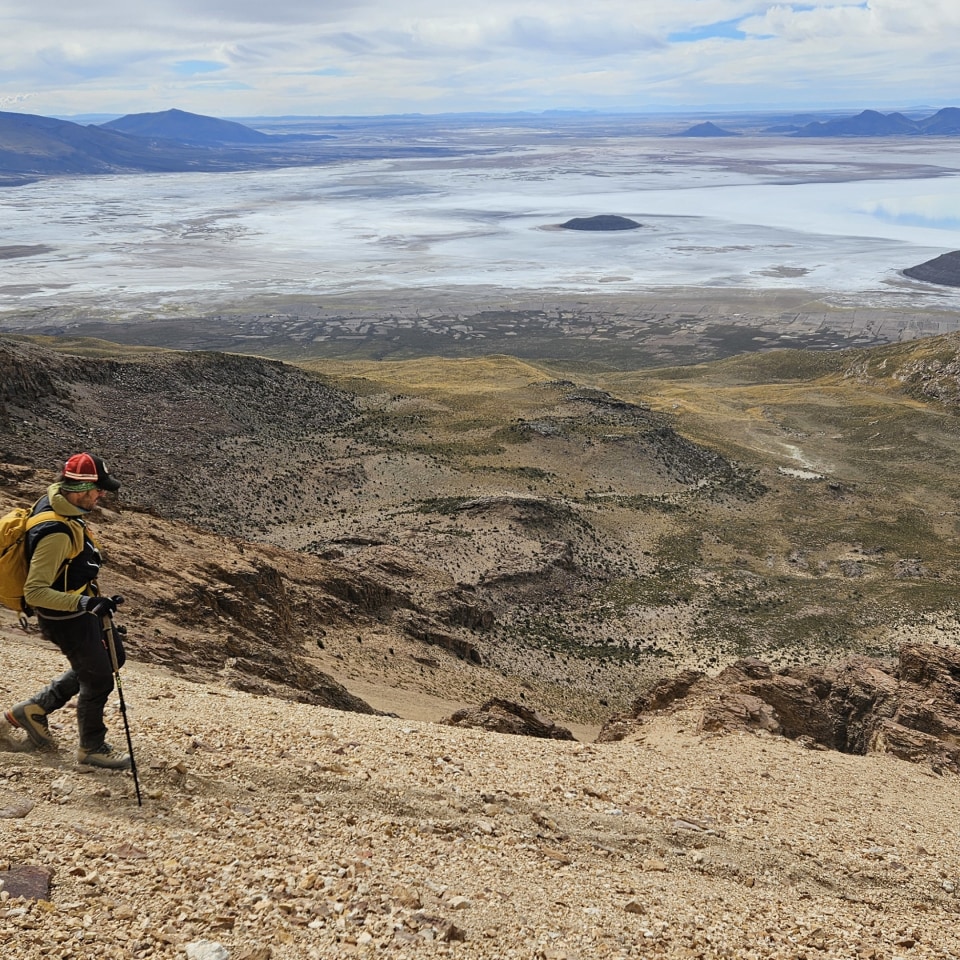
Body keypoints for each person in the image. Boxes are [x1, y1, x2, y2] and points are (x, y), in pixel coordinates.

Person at [3, 453, 131, 770]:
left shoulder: (61, 503)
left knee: (114, 656)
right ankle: (92, 748)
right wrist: (85, 603)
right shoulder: (55, 531)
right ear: (80, 487)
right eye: (98, 489)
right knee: (99, 678)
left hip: (81, 607)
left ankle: (33, 709)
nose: (102, 494)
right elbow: (36, 591)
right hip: (66, 617)